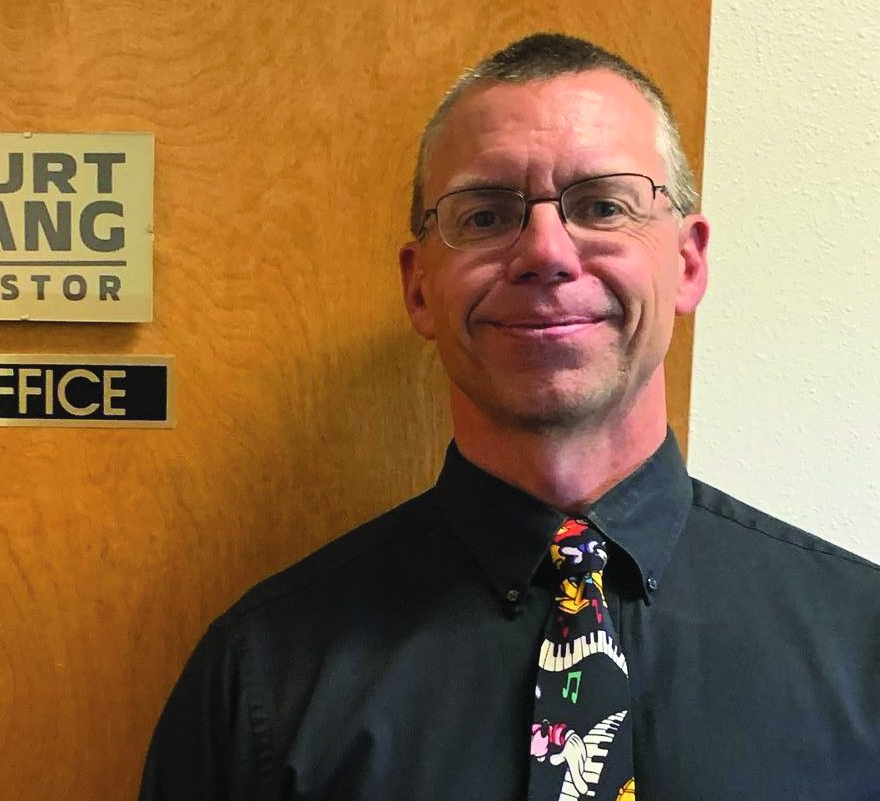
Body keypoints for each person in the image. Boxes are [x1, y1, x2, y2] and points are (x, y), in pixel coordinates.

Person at [139, 33, 880, 801]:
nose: (545, 251)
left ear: (687, 263)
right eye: (486, 215)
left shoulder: (863, 647)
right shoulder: (261, 677)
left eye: (602, 206)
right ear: (419, 287)